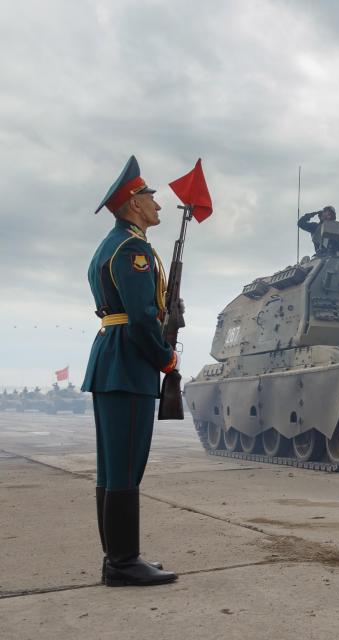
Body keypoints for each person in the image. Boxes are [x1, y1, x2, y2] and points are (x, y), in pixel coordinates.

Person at [81, 156, 179, 587]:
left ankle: (117, 558)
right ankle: (122, 562)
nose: (157, 202)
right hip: (129, 362)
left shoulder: (112, 245)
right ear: (133, 204)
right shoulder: (133, 249)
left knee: (113, 466)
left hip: (112, 357)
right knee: (124, 466)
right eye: (149, 196)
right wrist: (166, 358)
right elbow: (140, 318)